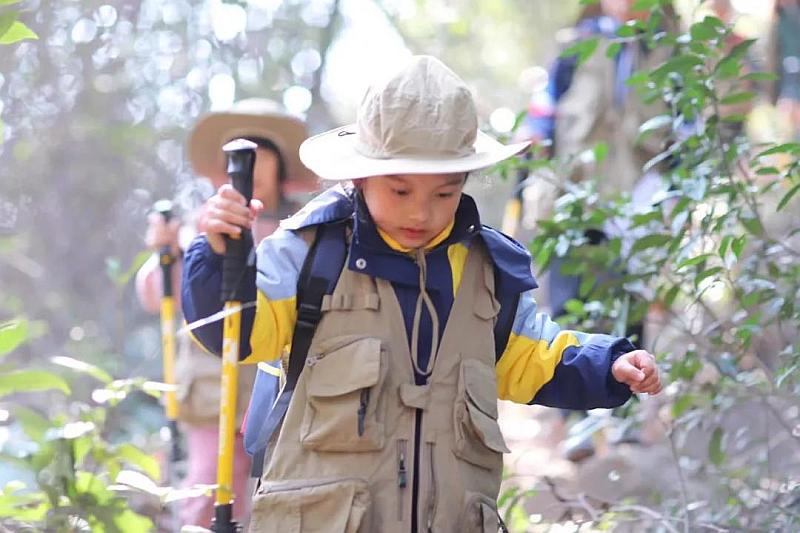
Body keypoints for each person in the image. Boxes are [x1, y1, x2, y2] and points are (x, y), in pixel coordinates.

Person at [181, 55, 662, 532]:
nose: (421, 213)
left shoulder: (487, 273)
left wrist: (607, 365)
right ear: (360, 177)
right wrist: (219, 257)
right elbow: (238, 332)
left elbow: (531, 355)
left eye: (443, 194)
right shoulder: (308, 255)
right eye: (400, 191)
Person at [135, 98, 315, 527]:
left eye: (258, 157)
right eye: (238, 158)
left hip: (279, 392)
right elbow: (156, 295)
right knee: (207, 488)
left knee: (274, 490)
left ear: (281, 168)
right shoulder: (199, 228)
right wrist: (167, 252)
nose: (248, 169)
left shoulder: (305, 231)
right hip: (211, 390)